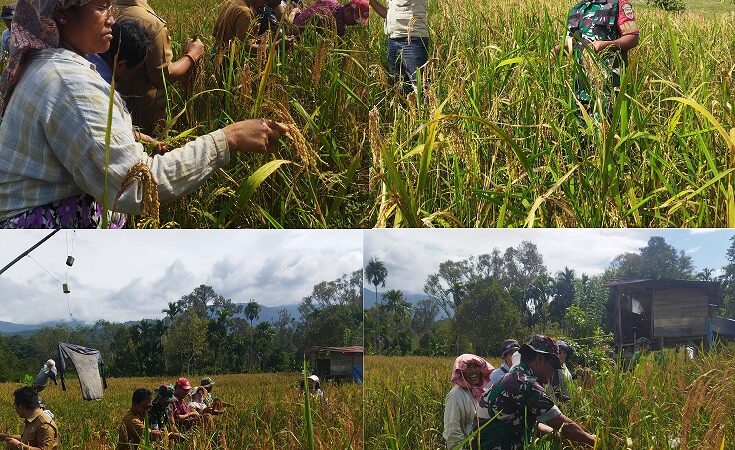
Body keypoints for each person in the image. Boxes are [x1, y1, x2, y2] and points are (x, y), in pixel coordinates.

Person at [0, 0, 288, 229]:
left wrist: (130, 136)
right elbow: (137, 184)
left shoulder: (45, 62)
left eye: (111, 6)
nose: (112, 18)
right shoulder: (70, 82)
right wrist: (229, 138)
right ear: (61, 13)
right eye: (100, 7)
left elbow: (70, 134)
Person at [474, 335, 596, 450]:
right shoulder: (526, 384)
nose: (553, 371)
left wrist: (560, 438)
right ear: (539, 359)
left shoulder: (512, 376)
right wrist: (595, 441)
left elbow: (532, 423)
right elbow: (566, 427)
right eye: (553, 365)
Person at [113, 0, 205, 133]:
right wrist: (192, 55)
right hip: (142, 117)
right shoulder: (152, 24)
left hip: (113, 109)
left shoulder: (107, 12)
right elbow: (162, 77)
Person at [559, 0, 639, 121]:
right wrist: (558, 49)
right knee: (582, 131)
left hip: (610, 87)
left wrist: (606, 45)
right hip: (580, 87)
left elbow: (632, 38)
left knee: (608, 129)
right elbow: (571, 43)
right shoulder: (576, 9)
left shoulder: (618, 4)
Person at [368, 0, 429, 94]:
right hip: (393, 40)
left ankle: (423, 108)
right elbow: (387, 15)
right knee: (398, 86)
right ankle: (406, 106)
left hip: (413, 40)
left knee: (419, 87)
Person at [443, 354, 493, 450]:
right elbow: (452, 430)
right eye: (468, 367)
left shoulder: (480, 392)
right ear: (461, 372)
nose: (473, 371)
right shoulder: (455, 395)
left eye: (475, 367)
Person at [291, 0, 368, 37]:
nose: (355, 23)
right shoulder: (337, 26)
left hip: (294, 23)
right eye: (355, 20)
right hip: (293, 37)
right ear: (348, 10)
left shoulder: (332, 1)